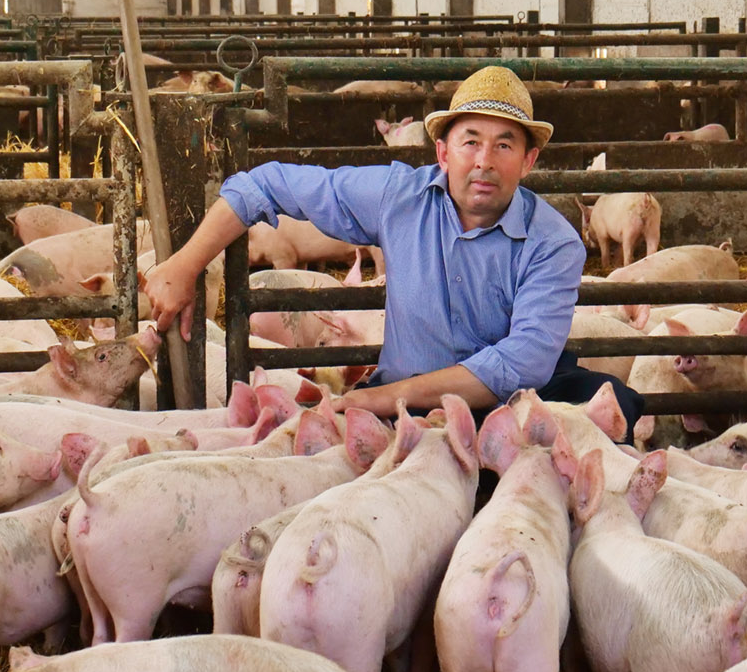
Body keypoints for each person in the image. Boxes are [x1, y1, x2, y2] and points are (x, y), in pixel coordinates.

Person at [142, 65, 646, 429]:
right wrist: (185, 264)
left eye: (504, 145)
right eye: (471, 141)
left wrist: (385, 397)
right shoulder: (399, 196)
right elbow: (263, 184)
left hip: (512, 404)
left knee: (615, 405)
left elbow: (522, 363)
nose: (484, 161)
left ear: (529, 161)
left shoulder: (553, 241)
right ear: (443, 152)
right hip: (411, 405)